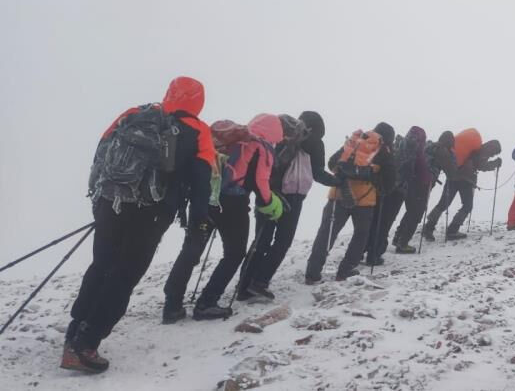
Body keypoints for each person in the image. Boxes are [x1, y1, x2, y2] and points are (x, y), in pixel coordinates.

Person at [64, 77, 216, 373]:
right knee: (124, 275)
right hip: (153, 212)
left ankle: (75, 330)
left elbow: (102, 151)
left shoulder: (135, 114)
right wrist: (199, 219)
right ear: (198, 101)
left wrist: (99, 197)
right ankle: (86, 344)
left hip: (110, 201)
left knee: (101, 265)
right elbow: (201, 181)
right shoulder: (199, 131)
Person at [163, 113, 285, 322]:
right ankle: (207, 303)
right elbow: (260, 183)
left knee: (191, 250)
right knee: (234, 254)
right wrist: (271, 204)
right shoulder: (260, 146)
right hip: (232, 205)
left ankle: (172, 305)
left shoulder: (226, 140)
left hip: (204, 198)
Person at [237, 112, 340, 301]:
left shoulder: (281, 133)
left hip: (267, 191)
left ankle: (243, 285)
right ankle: (259, 282)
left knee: (261, 240)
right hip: (292, 196)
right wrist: (337, 181)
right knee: (282, 241)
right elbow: (317, 173)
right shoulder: (315, 142)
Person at [305, 126, 395, 283]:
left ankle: (312, 273)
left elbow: (333, 163)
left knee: (326, 234)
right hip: (365, 202)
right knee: (360, 236)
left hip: (338, 196)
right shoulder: (384, 151)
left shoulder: (355, 143)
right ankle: (344, 271)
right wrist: (374, 180)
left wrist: (346, 174)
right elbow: (390, 182)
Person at [425, 129, 502, 240]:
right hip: (465, 180)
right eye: (495, 152)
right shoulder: (484, 151)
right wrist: (495, 163)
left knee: (443, 203)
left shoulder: (476, 148)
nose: (494, 154)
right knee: (467, 205)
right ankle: (452, 231)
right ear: (493, 148)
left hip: (454, 175)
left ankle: (428, 228)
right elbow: (481, 165)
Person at [387, 127, 432, 253]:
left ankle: (398, 238)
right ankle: (403, 243)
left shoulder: (404, 145)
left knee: (410, 212)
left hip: (408, 186)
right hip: (417, 186)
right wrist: (428, 177)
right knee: (416, 214)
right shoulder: (415, 148)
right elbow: (420, 168)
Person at [363, 122, 397, 266]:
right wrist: (387, 188)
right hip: (377, 192)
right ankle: (373, 255)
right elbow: (390, 176)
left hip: (357, 191)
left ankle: (358, 252)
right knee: (378, 224)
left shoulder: (362, 144)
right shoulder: (385, 150)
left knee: (364, 225)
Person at [419, 131, 458, 241]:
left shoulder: (431, 146)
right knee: (419, 207)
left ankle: (400, 236)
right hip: (428, 181)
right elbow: (451, 171)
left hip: (418, 179)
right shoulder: (443, 151)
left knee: (415, 207)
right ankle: (427, 229)